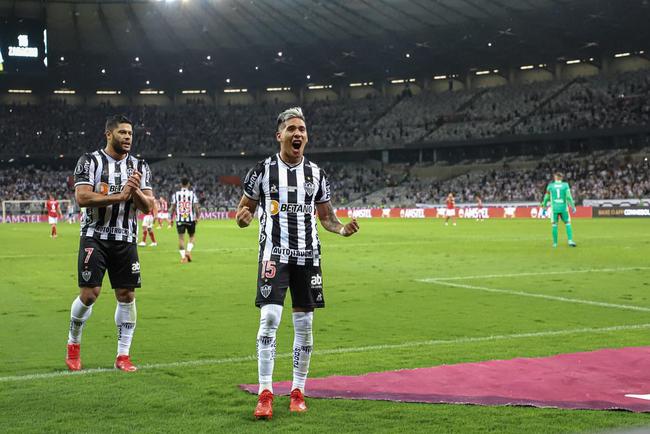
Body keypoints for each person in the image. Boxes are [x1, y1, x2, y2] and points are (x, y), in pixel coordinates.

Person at [236, 107, 360, 420]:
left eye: (302, 129)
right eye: (292, 129)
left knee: (304, 326)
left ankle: (297, 391)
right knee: (270, 319)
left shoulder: (316, 174)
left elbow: (327, 217)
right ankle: (265, 393)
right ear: (279, 135)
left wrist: (342, 229)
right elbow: (244, 210)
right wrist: (243, 218)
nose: (298, 134)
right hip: (274, 255)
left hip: (309, 257)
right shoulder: (262, 170)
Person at [65, 114, 155, 373]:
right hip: (95, 235)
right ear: (109, 134)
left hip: (126, 239)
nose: (128, 137)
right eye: (122, 133)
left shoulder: (140, 166)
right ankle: (73, 344)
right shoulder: (89, 161)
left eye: (130, 134)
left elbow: (148, 207)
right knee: (90, 293)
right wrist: (119, 196)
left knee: (126, 295)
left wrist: (134, 190)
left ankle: (123, 356)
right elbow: (82, 197)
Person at [541, 172, 577, 248]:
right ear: (561, 178)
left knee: (554, 225)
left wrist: (544, 207)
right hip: (564, 208)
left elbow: (546, 198)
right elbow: (568, 197)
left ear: (555, 177)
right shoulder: (565, 185)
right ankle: (570, 241)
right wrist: (573, 206)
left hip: (554, 209)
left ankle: (555, 244)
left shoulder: (550, 186)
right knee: (567, 223)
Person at [169, 178, 200, 263]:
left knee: (181, 239)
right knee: (192, 236)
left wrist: (170, 219)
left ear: (180, 184)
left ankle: (183, 258)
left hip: (180, 219)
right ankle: (188, 252)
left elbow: (172, 208)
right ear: (188, 184)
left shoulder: (176, 194)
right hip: (190, 219)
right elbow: (196, 207)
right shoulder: (192, 194)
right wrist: (197, 217)